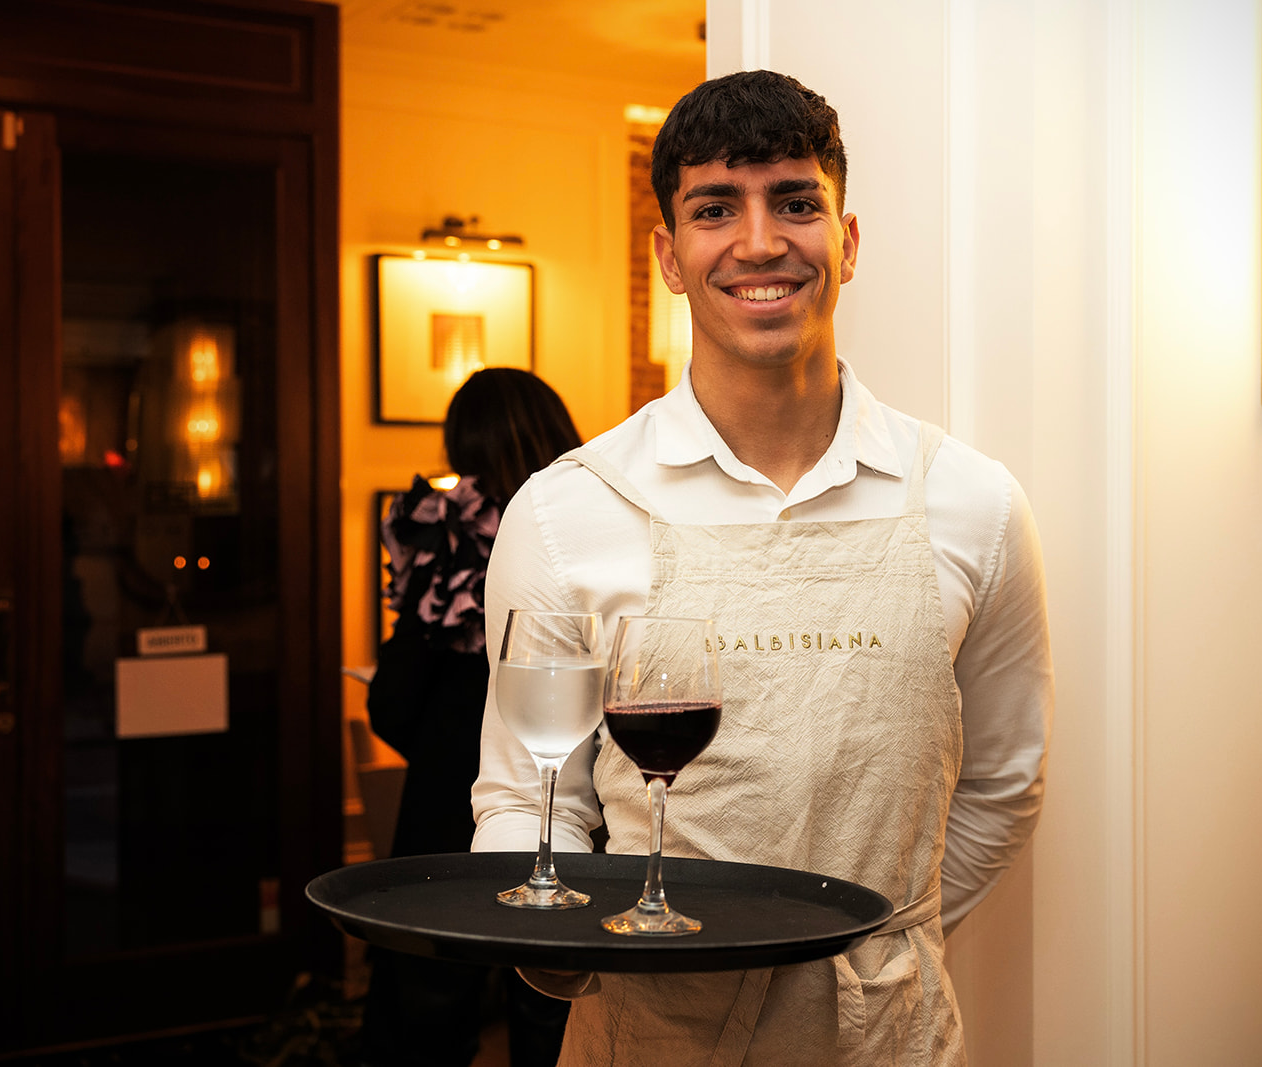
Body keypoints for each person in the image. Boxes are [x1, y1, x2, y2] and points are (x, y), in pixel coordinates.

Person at [471, 70, 1052, 1066]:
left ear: (849, 240)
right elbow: (530, 797)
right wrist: (569, 954)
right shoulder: (566, 511)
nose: (758, 241)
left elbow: (1003, 781)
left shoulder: (974, 503)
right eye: (713, 208)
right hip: (648, 1034)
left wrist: (871, 944)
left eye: (795, 202)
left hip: (889, 1038)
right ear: (667, 254)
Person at [361, 367, 582, 1067]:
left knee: (429, 1007)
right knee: (559, 1005)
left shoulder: (449, 530)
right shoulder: (586, 523)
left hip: (444, 806)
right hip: (578, 804)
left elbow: (393, 701)